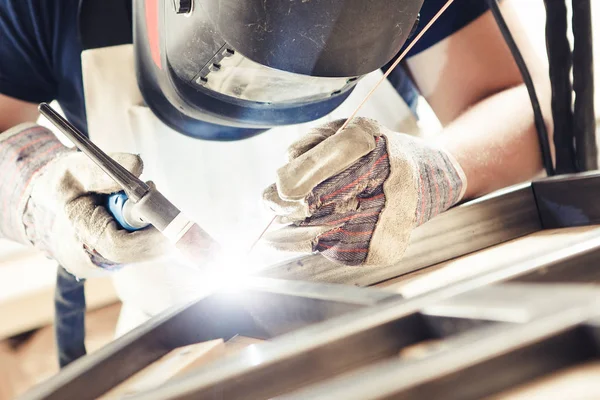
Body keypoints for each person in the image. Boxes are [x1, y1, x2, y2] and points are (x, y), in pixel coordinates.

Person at [0, 0, 550, 364]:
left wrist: (429, 173)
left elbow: (518, 103)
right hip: (176, 348)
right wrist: (40, 188)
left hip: (392, 318)